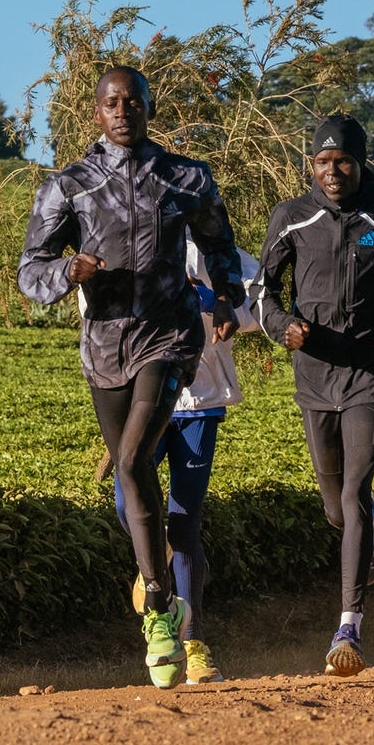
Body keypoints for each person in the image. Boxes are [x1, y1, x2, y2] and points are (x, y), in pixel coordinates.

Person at [18, 66, 244, 689]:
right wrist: (69, 272)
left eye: (133, 102)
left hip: (170, 339)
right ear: (97, 113)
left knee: (131, 460)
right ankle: (163, 598)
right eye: (112, 103)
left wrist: (224, 296)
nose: (123, 111)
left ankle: (161, 615)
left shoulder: (186, 177)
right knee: (133, 469)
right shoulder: (69, 186)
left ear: (149, 108)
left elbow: (222, 246)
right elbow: (29, 271)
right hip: (104, 350)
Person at [260, 115, 374, 677]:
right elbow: (262, 290)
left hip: (371, 372)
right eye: (322, 161)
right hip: (314, 375)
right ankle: (365, 539)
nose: (333, 171)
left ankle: (349, 629)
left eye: (343, 161)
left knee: (355, 491)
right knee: (335, 505)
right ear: (310, 165)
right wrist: (281, 326)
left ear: (362, 163)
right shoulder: (293, 218)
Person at [112, 239, 264, 684]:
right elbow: (94, 307)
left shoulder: (216, 252)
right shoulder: (121, 239)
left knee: (184, 522)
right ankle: (154, 563)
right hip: (141, 395)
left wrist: (224, 307)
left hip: (200, 399)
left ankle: (193, 641)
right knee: (127, 504)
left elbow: (260, 297)